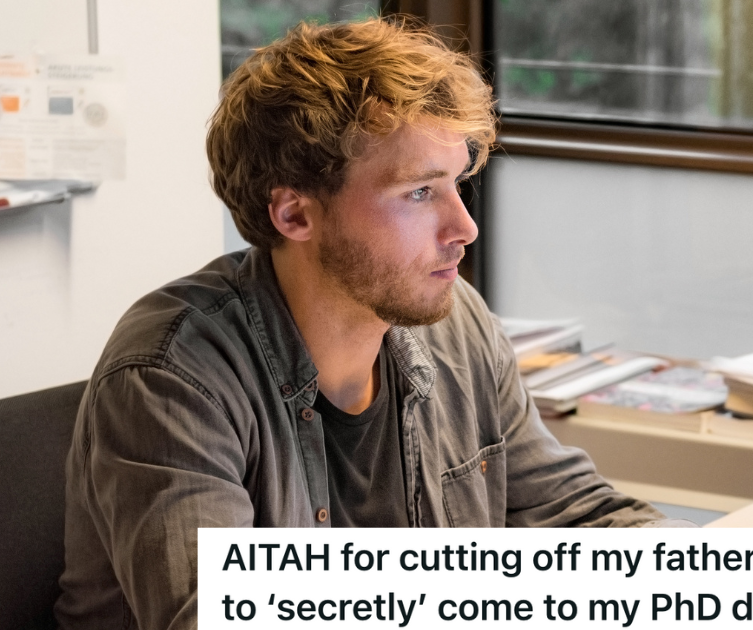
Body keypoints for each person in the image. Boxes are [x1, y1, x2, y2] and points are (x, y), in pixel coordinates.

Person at [56, 18, 685, 629]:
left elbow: (574, 516)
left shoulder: (455, 323)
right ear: (295, 214)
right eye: (420, 192)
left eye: (457, 183)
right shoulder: (172, 377)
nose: (465, 227)